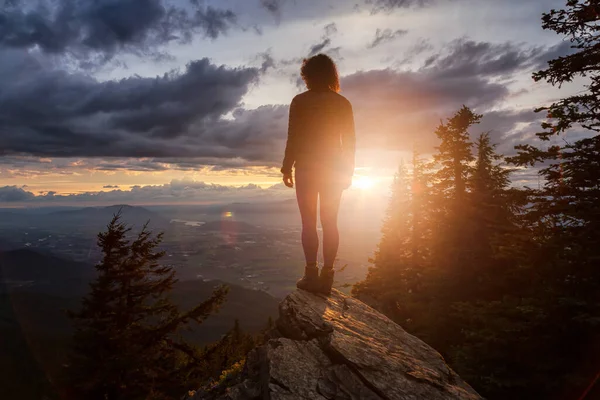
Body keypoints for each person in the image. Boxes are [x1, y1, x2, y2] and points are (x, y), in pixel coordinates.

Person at [280, 54, 356, 295]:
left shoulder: (299, 102)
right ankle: (327, 276)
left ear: (308, 76)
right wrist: (348, 172)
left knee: (309, 223)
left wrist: (286, 167)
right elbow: (350, 143)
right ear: (331, 74)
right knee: (330, 222)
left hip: (306, 168)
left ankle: (311, 274)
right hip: (334, 170)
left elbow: (294, 137)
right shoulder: (342, 103)